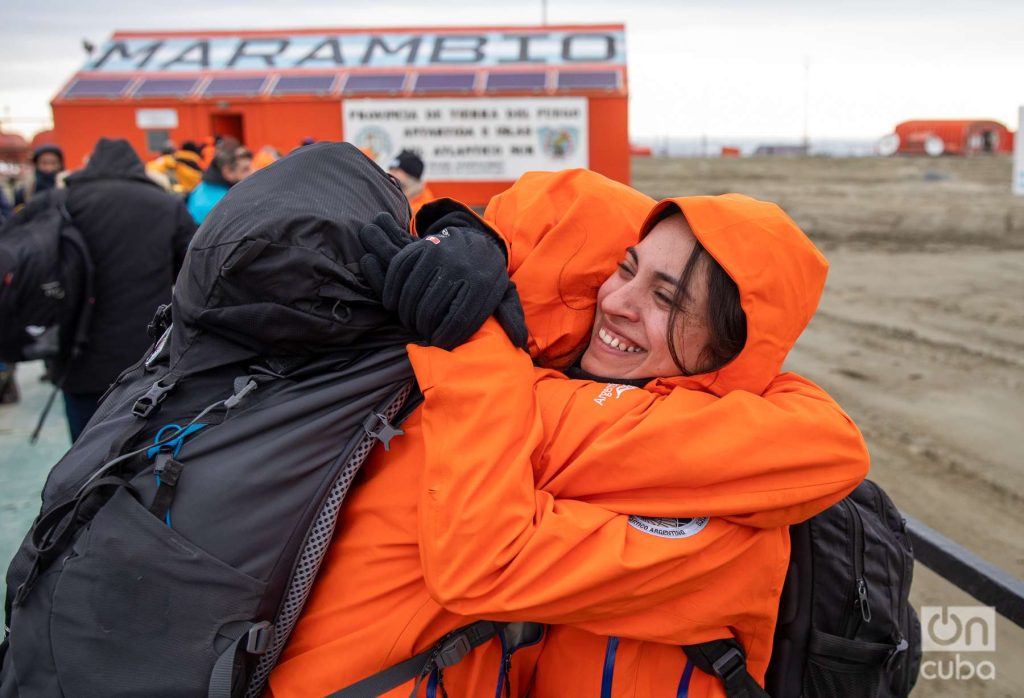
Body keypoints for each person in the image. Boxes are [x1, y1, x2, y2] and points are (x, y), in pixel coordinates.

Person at [269, 171, 869, 697]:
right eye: (625, 269)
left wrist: (471, 331)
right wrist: (476, 237)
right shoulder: (563, 396)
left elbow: (486, 564)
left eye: (667, 299)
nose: (617, 302)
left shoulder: (737, 516)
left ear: (730, 347)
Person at [56, 138, 197, 440]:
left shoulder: (64, 201)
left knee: (81, 449)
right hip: (144, 353)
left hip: (78, 350)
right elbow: (194, 269)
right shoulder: (164, 204)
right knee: (138, 446)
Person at [186, 145, 253, 224]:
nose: (252, 172)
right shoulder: (226, 204)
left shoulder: (201, 188)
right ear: (227, 171)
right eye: (245, 169)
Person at [13, 144, 64, 209]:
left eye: (53, 163)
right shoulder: (26, 189)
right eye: (44, 163)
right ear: (36, 164)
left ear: (60, 164)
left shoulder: (68, 185)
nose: (49, 168)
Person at [388, 149, 435, 217]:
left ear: (410, 176)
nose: (390, 174)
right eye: (391, 170)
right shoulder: (395, 198)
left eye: (396, 171)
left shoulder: (424, 207)